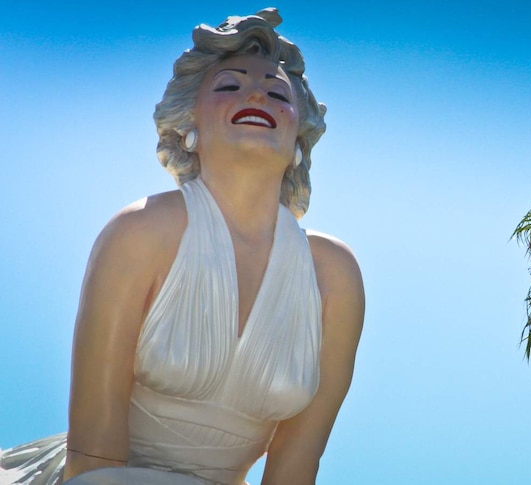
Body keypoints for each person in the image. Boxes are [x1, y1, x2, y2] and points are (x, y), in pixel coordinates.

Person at [0, 8, 364, 485]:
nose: (257, 94)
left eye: (278, 93)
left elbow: (295, 470)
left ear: (300, 133)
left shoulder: (334, 274)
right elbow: (93, 459)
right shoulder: (143, 231)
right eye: (230, 86)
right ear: (188, 123)